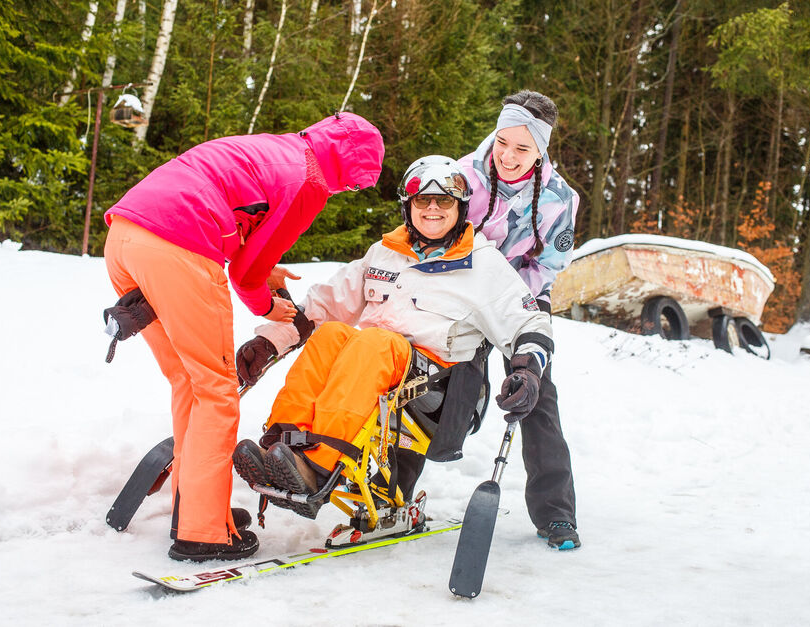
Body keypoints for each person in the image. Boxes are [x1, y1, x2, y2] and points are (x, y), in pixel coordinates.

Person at [103, 112, 385, 562]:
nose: (345, 191)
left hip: (125, 236)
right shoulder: (311, 181)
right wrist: (270, 305)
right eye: (353, 184)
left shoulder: (277, 148)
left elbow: (235, 213)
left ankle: (195, 506)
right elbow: (247, 272)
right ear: (345, 167)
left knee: (189, 383)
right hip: (180, 248)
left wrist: (263, 269)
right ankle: (203, 533)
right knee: (217, 392)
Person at [233, 155, 554, 523]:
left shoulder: (483, 264)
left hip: (439, 391)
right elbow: (325, 304)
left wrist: (527, 370)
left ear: (461, 208)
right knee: (333, 335)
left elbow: (528, 321)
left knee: (374, 342)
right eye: (422, 200)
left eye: (444, 201)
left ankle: (320, 463)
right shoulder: (386, 252)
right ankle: (282, 448)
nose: (432, 208)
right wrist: (272, 341)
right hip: (376, 370)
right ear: (408, 206)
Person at [458, 90, 582, 550]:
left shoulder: (558, 199)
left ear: (541, 151)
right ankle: (394, 499)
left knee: (537, 395)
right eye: (502, 142)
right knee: (431, 384)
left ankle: (556, 514)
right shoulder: (462, 175)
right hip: (460, 295)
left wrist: (515, 313)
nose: (507, 156)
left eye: (522, 148)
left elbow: (548, 265)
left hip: (521, 299)